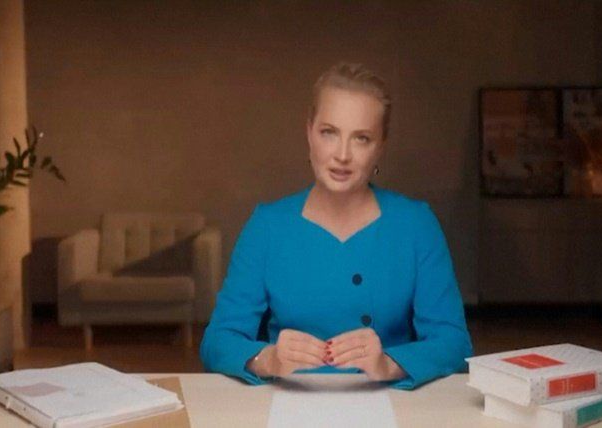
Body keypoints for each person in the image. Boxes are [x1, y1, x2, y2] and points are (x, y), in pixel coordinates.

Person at [200, 62, 473, 389]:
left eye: (361, 138)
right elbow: (217, 341)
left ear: (380, 146)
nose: (342, 155)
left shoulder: (415, 224)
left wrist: (389, 364)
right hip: (288, 402)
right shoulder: (267, 226)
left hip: (389, 402)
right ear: (309, 132)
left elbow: (454, 343)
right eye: (329, 132)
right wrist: (268, 359)